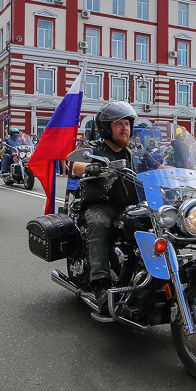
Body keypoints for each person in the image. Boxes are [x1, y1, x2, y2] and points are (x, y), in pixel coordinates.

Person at [68, 102, 160, 313]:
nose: (124, 128)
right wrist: (91, 167)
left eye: (127, 123)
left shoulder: (135, 150)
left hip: (135, 206)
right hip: (103, 205)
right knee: (99, 223)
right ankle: (101, 285)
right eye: (118, 124)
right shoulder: (94, 149)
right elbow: (75, 165)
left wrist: (183, 173)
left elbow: (157, 167)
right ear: (106, 128)